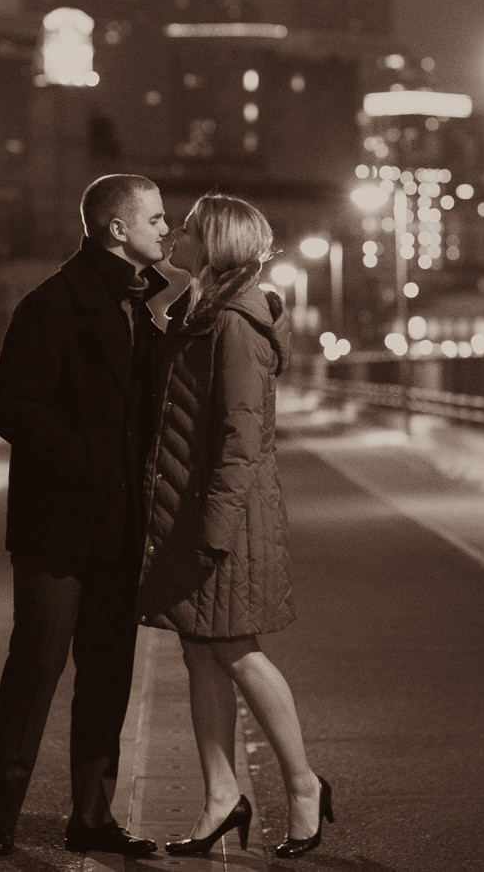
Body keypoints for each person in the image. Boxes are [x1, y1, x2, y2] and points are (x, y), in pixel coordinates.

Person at [0, 174, 170, 859]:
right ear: (117, 228)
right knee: (35, 669)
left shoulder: (146, 307)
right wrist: (89, 461)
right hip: (58, 525)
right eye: (155, 219)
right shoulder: (52, 305)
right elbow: (14, 406)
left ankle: (92, 814)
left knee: (107, 676)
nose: (166, 230)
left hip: (119, 526)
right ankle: (0, 812)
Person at [138, 192, 334, 860]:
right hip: (196, 510)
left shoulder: (235, 324)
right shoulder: (201, 312)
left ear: (215, 243)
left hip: (225, 515)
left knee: (236, 650)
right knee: (200, 649)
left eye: (187, 229)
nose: (176, 234)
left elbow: (241, 437)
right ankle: (222, 796)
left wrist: (215, 530)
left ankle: (303, 786)